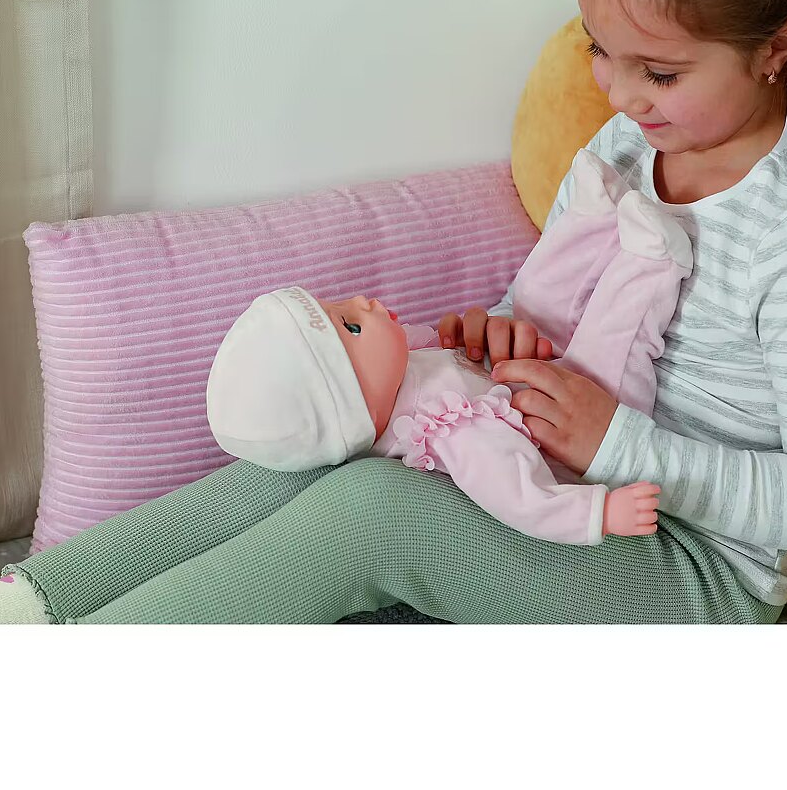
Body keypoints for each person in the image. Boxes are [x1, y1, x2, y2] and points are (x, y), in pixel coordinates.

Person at [0, 0, 787, 626]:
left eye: (659, 73)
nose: (620, 94)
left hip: (684, 567)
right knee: (335, 435)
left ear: (778, 46)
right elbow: (559, 309)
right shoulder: (630, 147)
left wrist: (617, 443)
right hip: (547, 470)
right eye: (602, 51)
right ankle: (5, 618)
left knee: (375, 512)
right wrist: (508, 333)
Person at [202, 150, 694, 547]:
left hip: (537, 375)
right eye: (352, 325)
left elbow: (445, 345)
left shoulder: (401, 372)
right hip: (579, 433)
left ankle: (591, 222)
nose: (362, 302)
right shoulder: (450, 429)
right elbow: (518, 496)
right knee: (610, 345)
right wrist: (599, 512)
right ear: (357, 405)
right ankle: (652, 264)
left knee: (532, 299)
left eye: (341, 305)